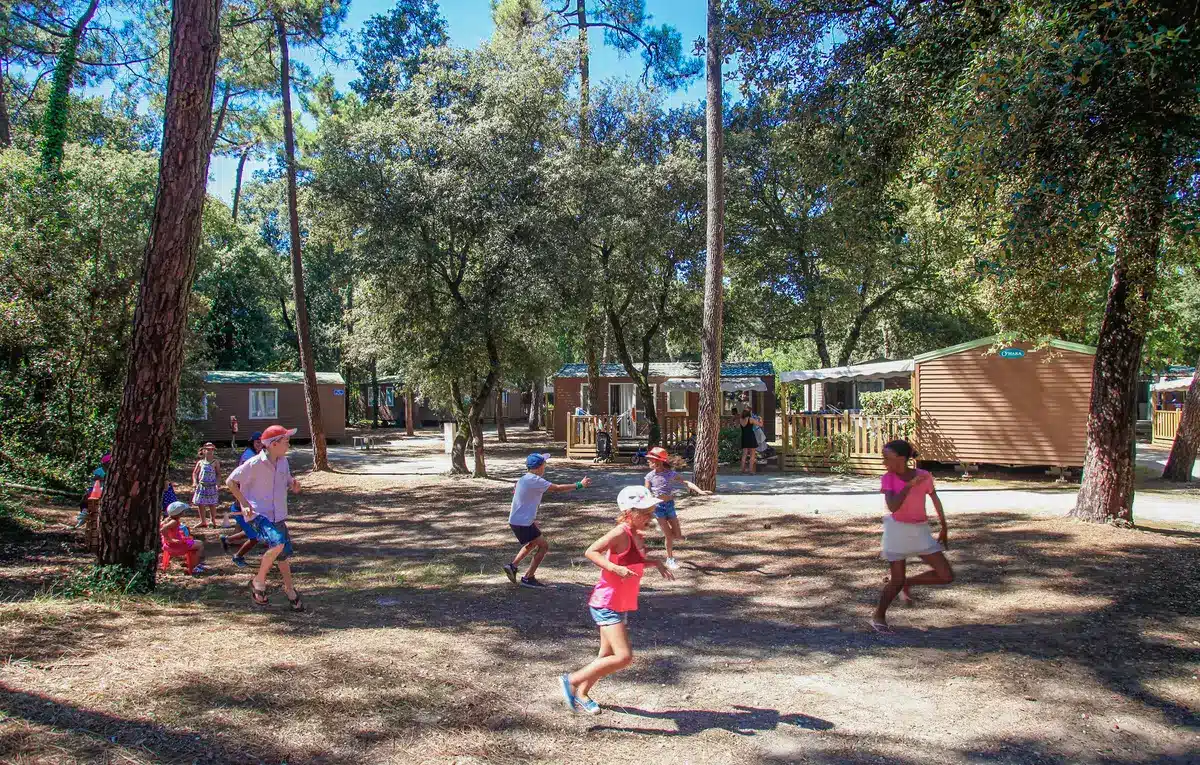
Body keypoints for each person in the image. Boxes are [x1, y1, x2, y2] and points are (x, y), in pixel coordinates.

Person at [559, 485, 675, 715]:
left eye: (651, 512)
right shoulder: (620, 533)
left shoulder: (635, 534)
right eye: (645, 513)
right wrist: (614, 568)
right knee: (623, 657)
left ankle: (582, 693)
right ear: (630, 512)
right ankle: (571, 680)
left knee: (606, 655)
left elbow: (632, 560)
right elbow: (591, 551)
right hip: (607, 603)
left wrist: (655, 562)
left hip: (620, 603)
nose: (650, 517)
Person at [872, 439, 954, 633]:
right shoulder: (888, 478)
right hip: (897, 530)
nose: (884, 463)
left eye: (887, 458)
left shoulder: (924, 476)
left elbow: (935, 498)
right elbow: (893, 506)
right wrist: (908, 486)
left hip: (920, 530)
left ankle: (910, 583)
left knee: (946, 575)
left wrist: (944, 527)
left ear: (902, 459)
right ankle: (879, 616)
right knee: (897, 579)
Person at [227, 424, 304, 611]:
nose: (288, 444)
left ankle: (290, 590)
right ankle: (258, 582)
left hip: (278, 515)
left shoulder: (283, 462)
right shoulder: (254, 463)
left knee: (283, 555)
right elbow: (230, 482)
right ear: (273, 444)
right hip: (258, 514)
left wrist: (294, 485)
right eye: (286, 441)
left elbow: (287, 480)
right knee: (277, 544)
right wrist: (244, 504)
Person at [503, 453, 591, 589]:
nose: (546, 466)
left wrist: (531, 519)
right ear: (538, 467)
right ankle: (528, 577)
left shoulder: (524, 479)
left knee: (533, 543)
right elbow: (557, 488)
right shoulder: (535, 480)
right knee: (543, 546)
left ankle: (513, 566)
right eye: (545, 464)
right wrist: (579, 485)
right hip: (522, 521)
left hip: (518, 520)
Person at [643, 446, 710, 570]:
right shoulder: (649, 476)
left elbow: (686, 483)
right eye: (649, 460)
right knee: (668, 535)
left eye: (651, 460)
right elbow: (645, 493)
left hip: (669, 506)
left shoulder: (670, 474)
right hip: (658, 508)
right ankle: (670, 559)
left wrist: (700, 491)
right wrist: (647, 508)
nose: (649, 462)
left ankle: (672, 535)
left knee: (678, 536)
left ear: (659, 462)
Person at [221, 432, 265, 567]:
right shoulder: (249, 457)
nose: (260, 444)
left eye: (261, 441)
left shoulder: (257, 454)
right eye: (257, 442)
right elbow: (238, 480)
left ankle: (227, 539)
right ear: (252, 443)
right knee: (254, 537)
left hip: (249, 501)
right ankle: (238, 557)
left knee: (253, 531)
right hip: (242, 505)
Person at [160, 501, 209, 574]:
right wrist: (169, 539)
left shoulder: (166, 520)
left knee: (193, 541)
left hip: (170, 545)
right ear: (180, 513)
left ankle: (193, 562)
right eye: (183, 511)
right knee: (200, 544)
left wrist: (168, 539)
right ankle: (196, 565)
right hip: (179, 545)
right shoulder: (174, 522)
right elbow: (163, 529)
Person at [73, 453, 111, 528]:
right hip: (96, 489)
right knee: (86, 499)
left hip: (104, 490)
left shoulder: (113, 471)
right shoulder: (99, 471)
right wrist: (102, 479)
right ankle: (84, 514)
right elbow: (95, 479)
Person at [191, 443, 222, 528]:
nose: (210, 451)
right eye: (208, 449)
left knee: (212, 504)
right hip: (202, 485)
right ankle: (203, 521)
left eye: (212, 449)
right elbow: (195, 473)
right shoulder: (200, 462)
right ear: (204, 451)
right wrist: (195, 482)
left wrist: (218, 483)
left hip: (211, 485)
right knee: (200, 504)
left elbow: (218, 474)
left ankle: (213, 520)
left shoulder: (215, 462)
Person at [739, 408, 763, 474]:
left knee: (744, 454)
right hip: (751, 437)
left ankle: (742, 469)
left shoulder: (741, 420)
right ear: (749, 413)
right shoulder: (751, 419)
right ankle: (751, 470)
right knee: (752, 454)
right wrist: (761, 419)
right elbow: (760, 425)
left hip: (744, 437)